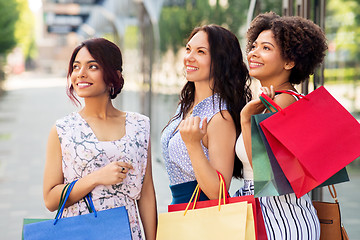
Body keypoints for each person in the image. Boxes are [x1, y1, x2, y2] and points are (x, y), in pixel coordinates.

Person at [43, 38, 157, 240]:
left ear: (114, 75)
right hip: (81, 233)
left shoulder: (140, 125)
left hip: (128, 232)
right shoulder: (63, 129)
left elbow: (146, 193)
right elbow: (51, 199)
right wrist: (95, 178)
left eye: (92, 66)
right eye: (76, 67)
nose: (80, 74)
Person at [234, 12, 328, 239]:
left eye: (266, 48)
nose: (254, 52)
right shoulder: (269, 103)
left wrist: (246, 118)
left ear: (290, 62)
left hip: (281, 218)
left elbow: (262, 171)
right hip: (266, 213)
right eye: (254, 46)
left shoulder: (285, 102)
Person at [161, 24, 252, 204]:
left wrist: (193, 145)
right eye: (188, 49)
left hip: (200, 216)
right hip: (179, 212)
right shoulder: (186, 106)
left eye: (200, 52)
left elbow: (219, 194)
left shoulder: (220, 117)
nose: (189, 57)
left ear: (220, 61)